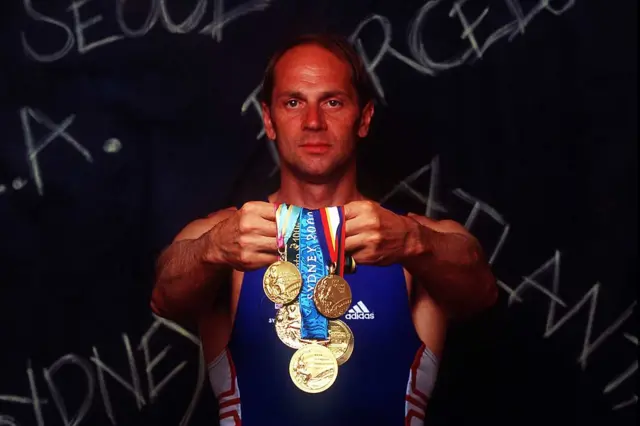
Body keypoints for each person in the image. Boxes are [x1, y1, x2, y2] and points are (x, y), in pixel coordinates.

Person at [150, 33, 498, 426]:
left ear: (363, 118)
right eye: (294, 102)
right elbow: (165, 296)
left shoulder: (410, 242)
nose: (313, 122)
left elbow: (483, 293)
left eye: (333, 102)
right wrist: (210, 249)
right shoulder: (229, 238)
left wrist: (416, 242)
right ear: (269, 119)